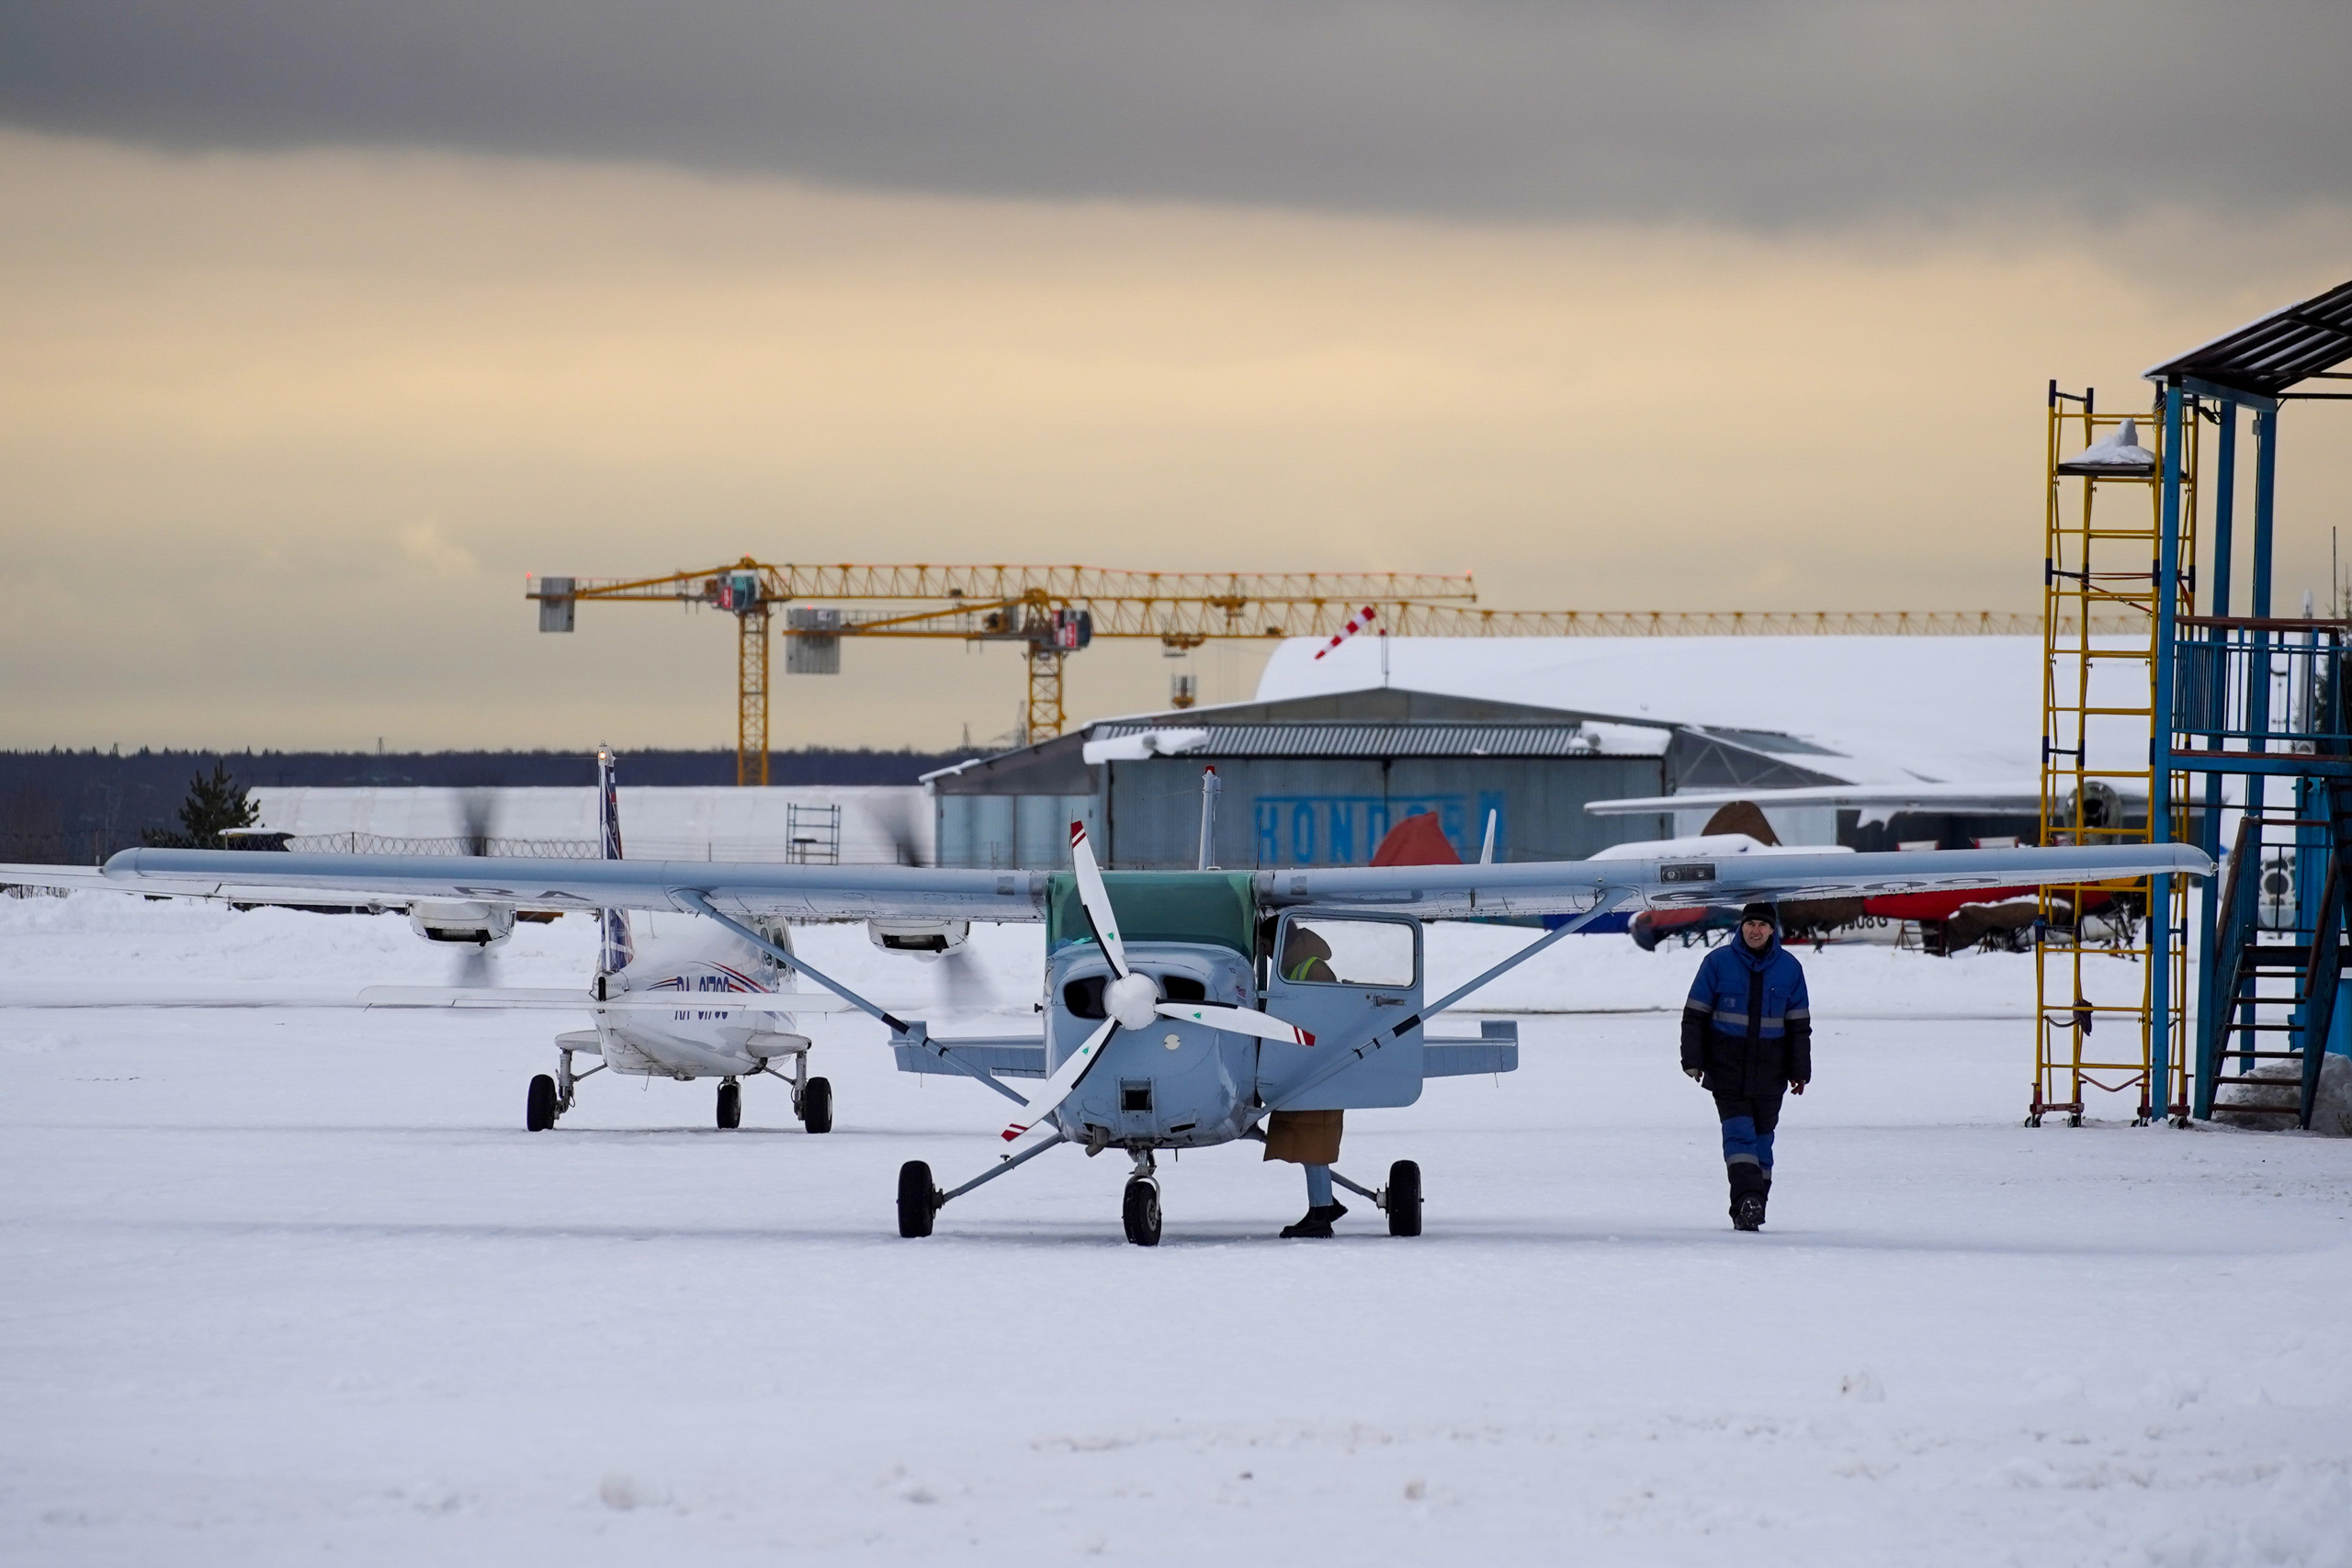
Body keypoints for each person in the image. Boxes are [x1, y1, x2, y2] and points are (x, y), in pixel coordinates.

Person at [1681, 902, 1811, 1231]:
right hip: (1726, 1068)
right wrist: (1693, 1060)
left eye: (1762, 925)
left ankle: (1753, 1205)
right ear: (1741, 927)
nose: (1756, 930)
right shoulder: (1717, 963)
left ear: (1772, 929)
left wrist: (1800, 1071)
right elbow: (1695, 1015)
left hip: (1772, 1071)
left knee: (1763, 1141)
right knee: (1739, 1136)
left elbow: (1799, 1026)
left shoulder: (1790, 968)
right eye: (1750, 923)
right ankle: (1747, 1199)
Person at [1267, 925, 1346, 1237]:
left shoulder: (1311, 969)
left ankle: (1320, 1215)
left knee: (1313, 1139)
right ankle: (1325, 1202)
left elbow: (1326, 1016)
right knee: (1306, 1137)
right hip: (1306, 1065)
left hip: (1317, 1067)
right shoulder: (1294, 967)